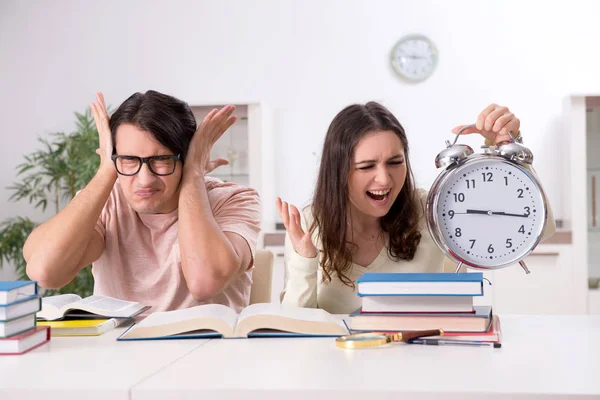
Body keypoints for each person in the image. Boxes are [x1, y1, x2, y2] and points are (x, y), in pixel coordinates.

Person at [277, 102, 555, 314]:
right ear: (338, 171)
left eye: (395, 162)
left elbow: (539, 228)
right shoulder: (310, 223)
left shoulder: (434, 208)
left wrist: (509, 146)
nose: (384, 179)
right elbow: (295, 331)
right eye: (366, 166)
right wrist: (305, 260)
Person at [24, 91, 261, 313]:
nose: (145, 179)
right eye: (128, 159)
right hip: (118, 353)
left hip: (206, 353)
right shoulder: (106, 203)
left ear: (187, 157)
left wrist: (194, 175)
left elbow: (204, 282)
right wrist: (107, 169)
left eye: (161, 160)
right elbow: (45, 273)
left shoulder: (233, 200)